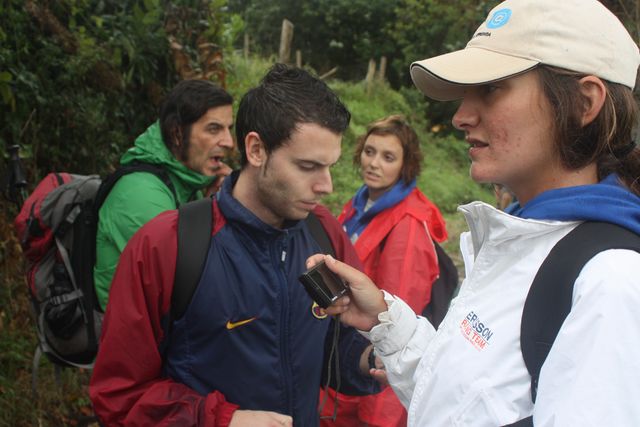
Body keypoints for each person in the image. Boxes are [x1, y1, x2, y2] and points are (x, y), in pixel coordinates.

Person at [308, 0, 640, 425]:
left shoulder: (609, 284)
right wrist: (387, 323)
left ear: (583, 102)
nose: (461, 116)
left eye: (491, 88)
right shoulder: (518, 239)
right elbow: (464, 404)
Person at [89, 64, 377, 426]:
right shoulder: (166, 246)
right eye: (307, 166)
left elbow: (332, 344)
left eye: (330, 166)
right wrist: (222, 420)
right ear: (256, 150)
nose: (326, 186)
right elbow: (119, 396)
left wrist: (370, 359)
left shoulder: (324, 234)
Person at [320, 115, 448, 426]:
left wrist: (379, 416)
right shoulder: (360, 203)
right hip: (342, 362)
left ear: (406, 165)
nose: (374, 163)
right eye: (369, 151)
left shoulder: (406, 225)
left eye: (388, 157)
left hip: (366, 379)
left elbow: (397, 322)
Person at [93, 79, 234, 311]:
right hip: (128, 339)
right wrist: (226, 207)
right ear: (177, 134)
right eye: (214, 129)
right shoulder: (140, 194)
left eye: (229, 128)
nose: (229, 142)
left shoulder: (188, 184)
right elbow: (198, 284)